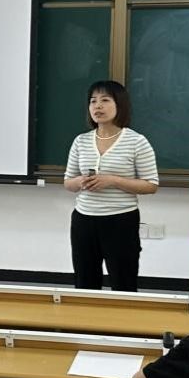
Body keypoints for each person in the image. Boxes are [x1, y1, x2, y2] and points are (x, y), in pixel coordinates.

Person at [64, 80, 159, 292]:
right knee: (84, 282)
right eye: (93, 101)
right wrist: (80, 182)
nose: (98, 106)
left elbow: (151, 185)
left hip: (120, 221)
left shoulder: (137, 141)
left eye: (105, 100)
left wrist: (113, 180)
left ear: (120, 105)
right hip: (83, 220)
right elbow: (68, 182)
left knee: (123, 282)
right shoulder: (81, 141)